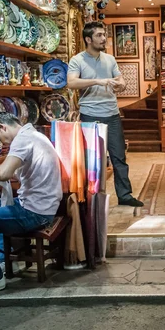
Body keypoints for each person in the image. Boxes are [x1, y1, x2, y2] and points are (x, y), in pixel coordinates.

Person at [0, 113, 62, 298]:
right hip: (41, 205)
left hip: (35, 212)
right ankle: (1, 261)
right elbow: (21, 173)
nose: (1, 143)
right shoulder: (35, 135)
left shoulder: (22, 140)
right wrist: (1, 171)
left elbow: (5, 174)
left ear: (2, 127)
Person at [67, 21, 143, 207]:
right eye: (99, 35)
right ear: (88, 39)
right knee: (91, 160)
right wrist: (97, 81)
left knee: (119, 158)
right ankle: (91, 197)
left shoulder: (110, 59)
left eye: (104, 35)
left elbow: (121, 81)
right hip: (90, 116)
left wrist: (121, 85)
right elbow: (71, 83)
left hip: (112, 114)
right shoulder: (77, 60)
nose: (104, 39)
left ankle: (125, 196)